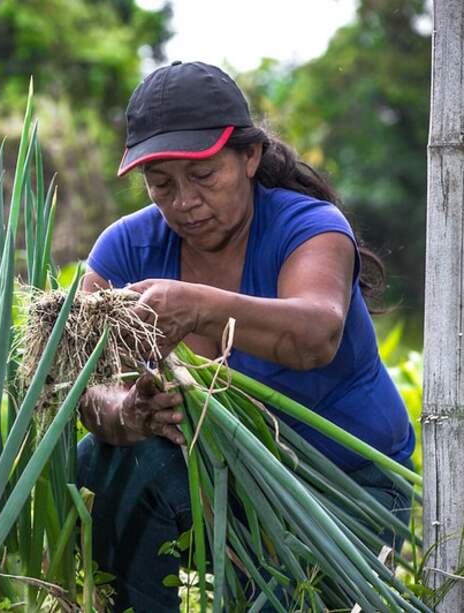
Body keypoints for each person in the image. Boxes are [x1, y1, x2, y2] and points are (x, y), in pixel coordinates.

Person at [75, 61, 416, 612]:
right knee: (100, 460)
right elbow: (89, 387)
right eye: (162, 184)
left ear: (250, 156)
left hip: (343, 490)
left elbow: (315, 334)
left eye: (204, 177)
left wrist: (198, 307)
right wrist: (125, 413)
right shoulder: (126, 249)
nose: (184, 202)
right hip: (219, 488)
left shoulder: (311, 228)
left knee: (283, 601)